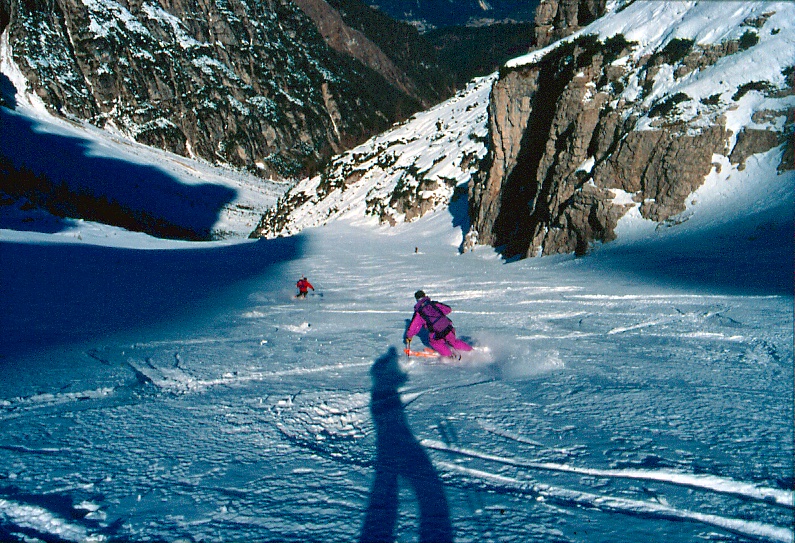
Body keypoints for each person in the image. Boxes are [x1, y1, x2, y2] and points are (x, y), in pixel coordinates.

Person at [405, 290, 472, 358]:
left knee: (434, 342)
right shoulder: (434, 304)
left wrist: (409, 337)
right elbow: (448, 309)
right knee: (453, 341)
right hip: (448, 327)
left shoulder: (419, 312)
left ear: (417, 299)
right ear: (425, 296)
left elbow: (413, 327)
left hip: (437, 333)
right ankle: (471, 351)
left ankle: (448, 355)